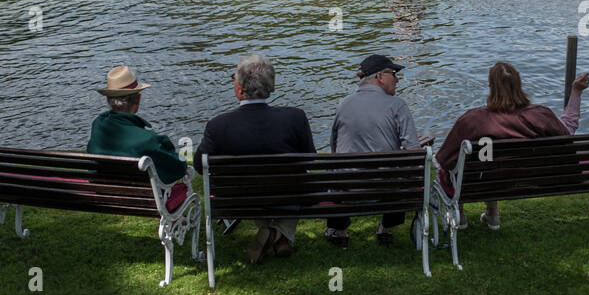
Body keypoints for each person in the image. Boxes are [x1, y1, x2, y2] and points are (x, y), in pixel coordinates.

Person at [435, 62, 589, 229]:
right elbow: (568, 130)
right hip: (523, 181)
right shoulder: (541, 115)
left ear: (491, 86)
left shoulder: (473, 120)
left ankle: (461, 213)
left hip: (480, 183)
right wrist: (576, 92)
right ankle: (492, 213)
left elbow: (443, 160)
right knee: (490, 162)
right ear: (519, 84)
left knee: (458, 165)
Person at [193, 53, 315, 263]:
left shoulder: (218, 125)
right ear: (271, 86)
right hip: (287, 194)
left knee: (258, 184)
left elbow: (198, 165)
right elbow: (310, 159)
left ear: (240, 89)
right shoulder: (295, 117)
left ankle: (271, 232)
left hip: (238, 198)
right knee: (288, 181)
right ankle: (280, 235)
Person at [326, 54, 420, 249]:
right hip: (386, 190)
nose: (397, 79)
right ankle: (386, 228)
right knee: (401, 172)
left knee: (336, 173)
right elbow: (414, 152)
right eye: (394, 74)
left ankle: (339, 230)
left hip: (348, 189)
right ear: (380, 76)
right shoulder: (398, 105)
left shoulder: (343, 104)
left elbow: (334, 150)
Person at [87, 64, 189, 209]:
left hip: (106, 191)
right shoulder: (147, 139)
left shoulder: (98, 126)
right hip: (142, 197)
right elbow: (178, 168)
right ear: (138, 100)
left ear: (109, 101)